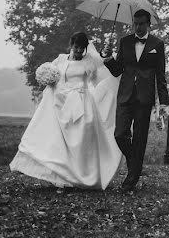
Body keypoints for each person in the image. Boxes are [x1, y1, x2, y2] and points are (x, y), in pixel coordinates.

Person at [10, 32, 122, 190]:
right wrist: (48, 81)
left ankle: (84, 175)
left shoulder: (89, 61)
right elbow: (55, 78)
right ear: (71, 46)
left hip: (83, 104)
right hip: (61, 103)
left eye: (81, 49)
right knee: (61, 140)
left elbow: (97, 77)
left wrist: (107, 53)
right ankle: (64, 175)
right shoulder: (61, 60)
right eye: (76, 47)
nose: (78, 51)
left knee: (82, 138)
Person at [103, 9, 169, 190]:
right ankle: (135, 164)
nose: (138, 27)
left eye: (141, 23)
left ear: (149, 24)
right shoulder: (125, 42)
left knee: (139, 139)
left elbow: (160, 75)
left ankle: (130, 180)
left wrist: (163, 102)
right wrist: (107, 57)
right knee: (120, 134)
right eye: (135, 23)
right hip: (125, 95)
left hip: (144, 97)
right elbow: (117, 70)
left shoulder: (158, 44)